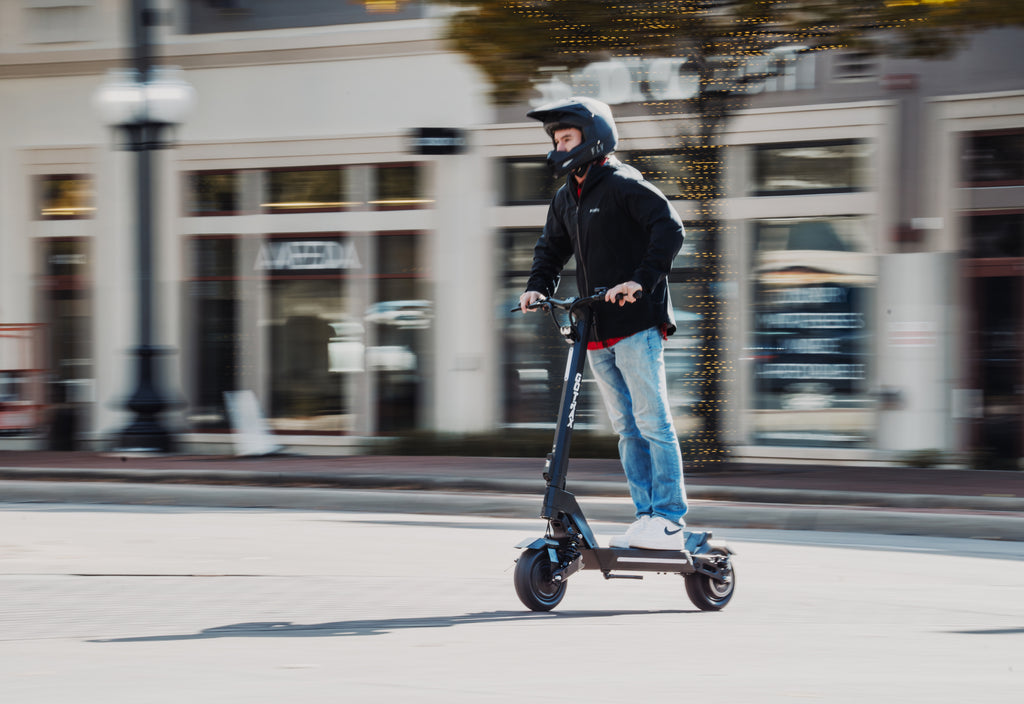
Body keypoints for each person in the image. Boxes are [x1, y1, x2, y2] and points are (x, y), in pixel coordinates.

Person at [519, 96, 688, 550]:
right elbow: (550, 249)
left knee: (653, 422)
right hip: (594, 328)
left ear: (593, 137)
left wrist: (639, 280)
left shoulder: (623, 183)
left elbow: (669, 230)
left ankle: (669, 518)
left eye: (566, 137)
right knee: (626, 428)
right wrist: (537, 285)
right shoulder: (566, 197)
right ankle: (645, 516)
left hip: (636, 323)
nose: (558, 147)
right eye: (556, 139)